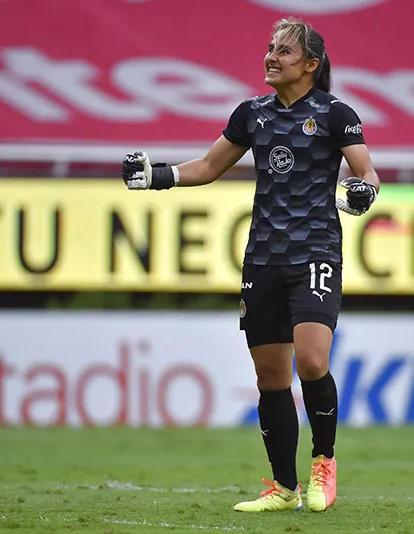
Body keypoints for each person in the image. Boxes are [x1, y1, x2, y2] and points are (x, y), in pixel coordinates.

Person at [120, 16, 380, 513]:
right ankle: (283, 488)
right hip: (263, 257)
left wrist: (364, 188)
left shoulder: (334, 113)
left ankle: (323, 462)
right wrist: (153, 177)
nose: (271, 56)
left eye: (284, 51)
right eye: (270, 47)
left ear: (310, 64)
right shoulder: (252, 114)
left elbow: (365, 168)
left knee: (312, 361)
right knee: (270, 377)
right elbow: (206, 167)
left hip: (315, 251)